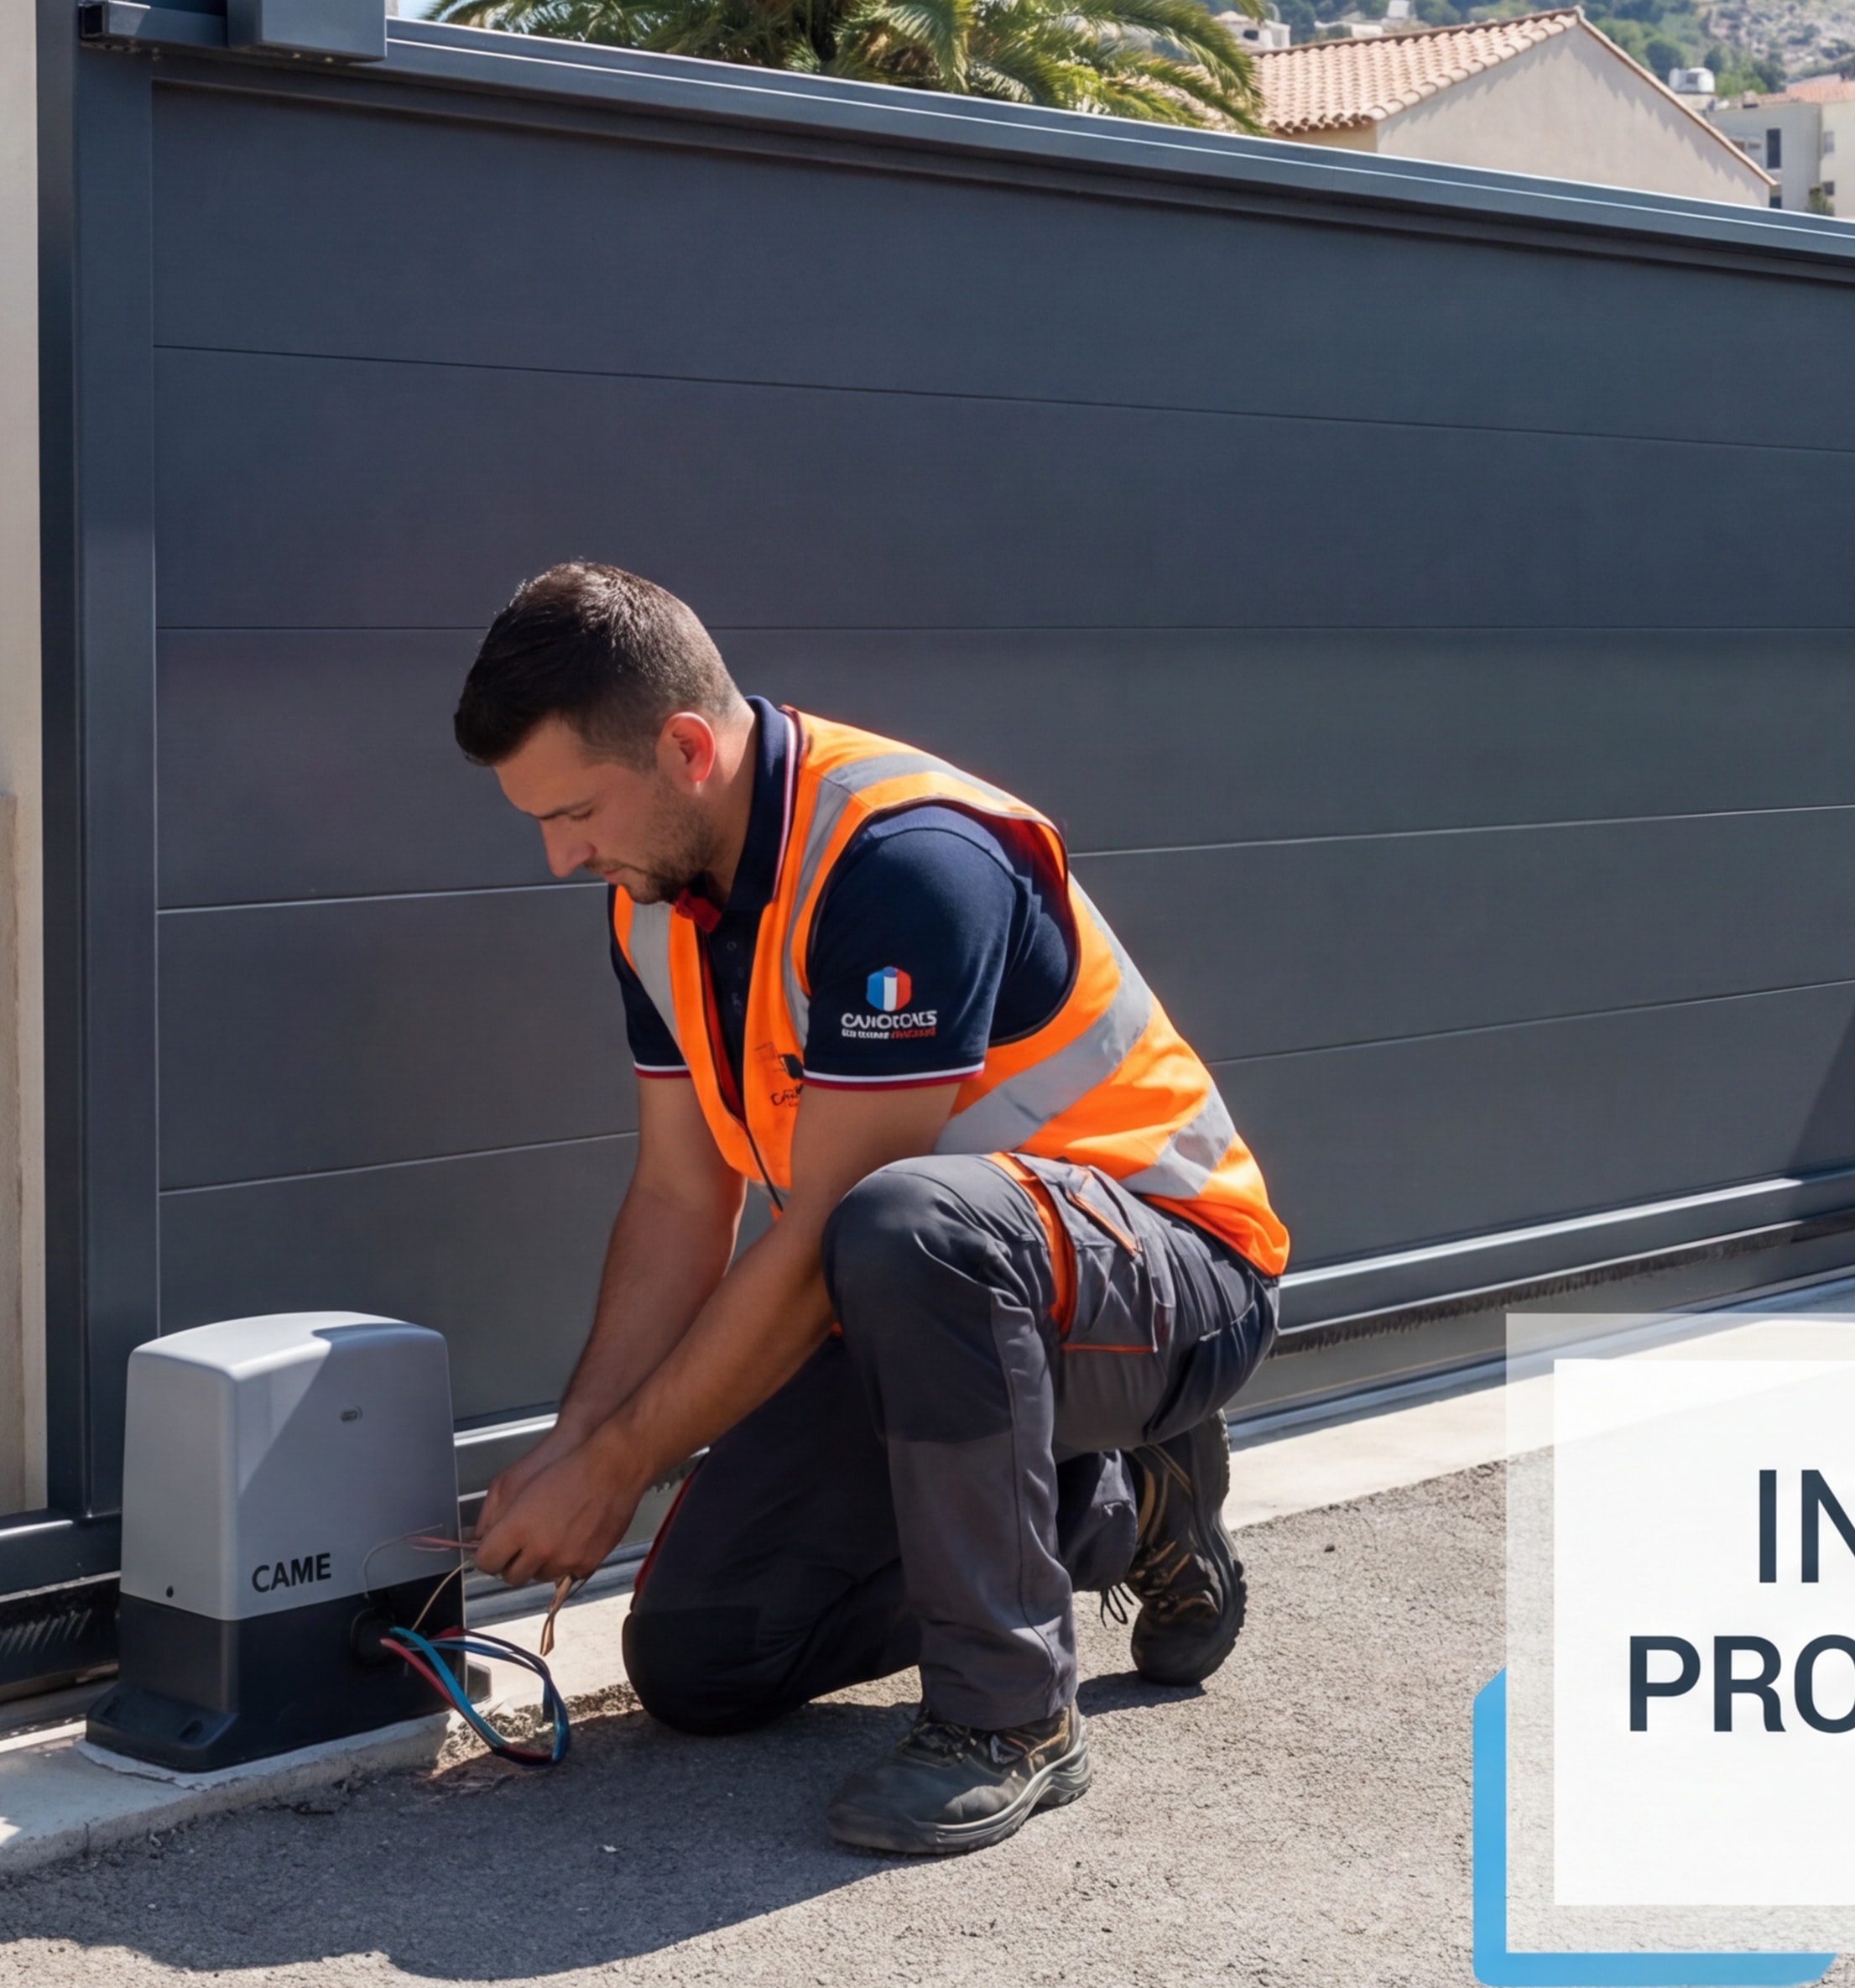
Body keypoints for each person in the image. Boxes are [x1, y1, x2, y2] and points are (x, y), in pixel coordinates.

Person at [456, 563, 1286, 1855]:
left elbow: (826, 1235)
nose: (562, 856)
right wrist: (577, 1445)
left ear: (685, 750)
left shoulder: (906, 859)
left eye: (573, 812)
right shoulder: (656, 905)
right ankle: (1117, 1503)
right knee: (703, 1659)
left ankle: (1011, 1717)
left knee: (904, 1227)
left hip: (1169, 1279)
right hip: (940, 1307)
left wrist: (619, 1471)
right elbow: (680, 1196)